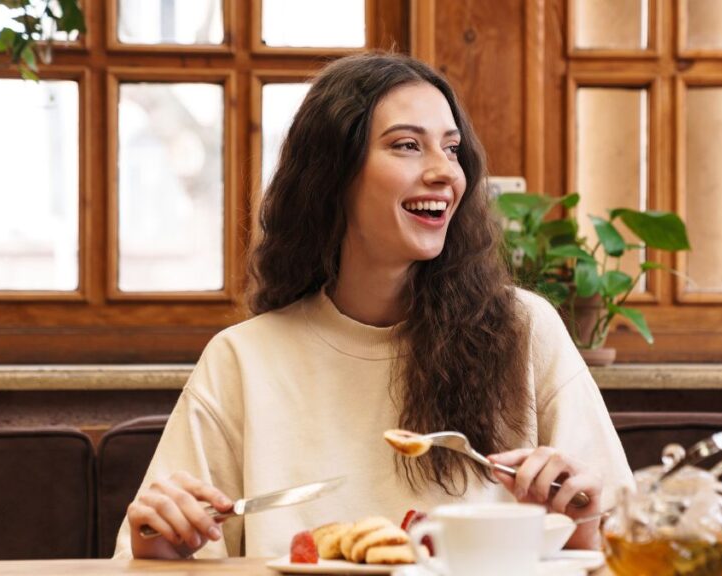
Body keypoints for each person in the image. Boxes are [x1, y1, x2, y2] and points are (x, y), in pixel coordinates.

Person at [115, 52, 633, 560]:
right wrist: (160, 547)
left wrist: (585, 524)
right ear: (332, 175)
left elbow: (627, 541)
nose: (444, 174)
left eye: (452, 150)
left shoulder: (524, 330)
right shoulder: (242, 360)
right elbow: (174, 544)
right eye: (407, 145)